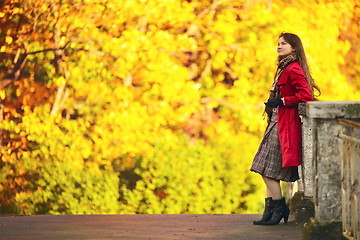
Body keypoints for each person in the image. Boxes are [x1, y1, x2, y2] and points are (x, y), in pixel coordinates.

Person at [250, 32, 320, 225]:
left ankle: (280, 207)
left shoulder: (293, 68)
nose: (279, 46)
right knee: (268, 169)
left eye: (284, 44)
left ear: (294, 48)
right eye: (278, 44)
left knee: (263, 168)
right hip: (276, 121)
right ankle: (269, 212)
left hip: (284, 124)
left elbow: (305, 94)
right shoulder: (284, 68)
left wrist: (281, 100)